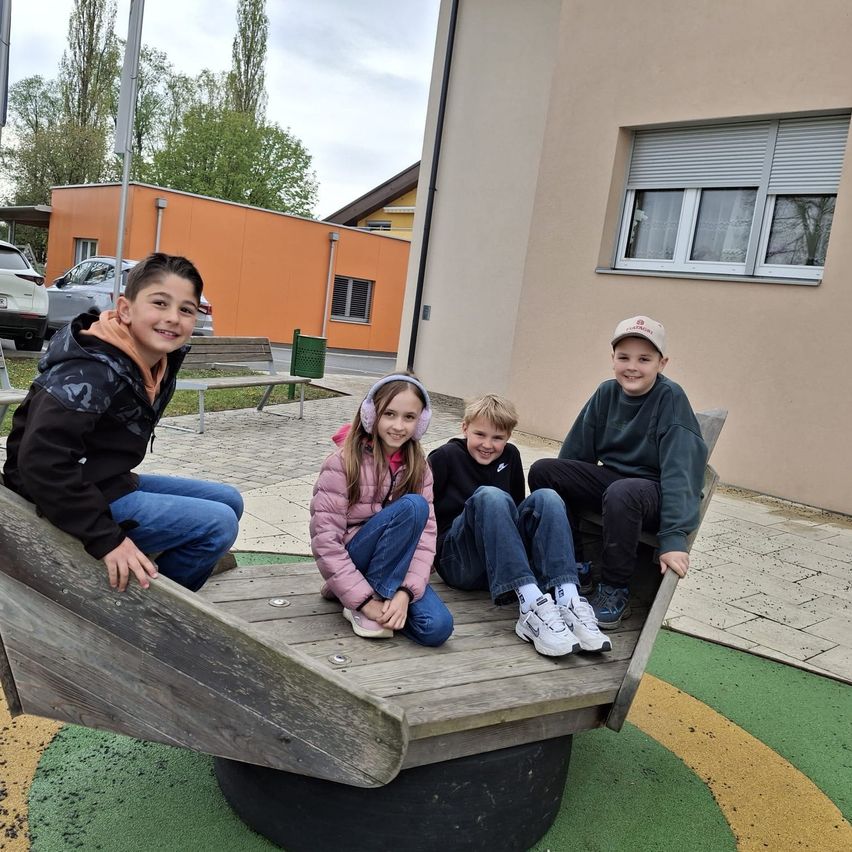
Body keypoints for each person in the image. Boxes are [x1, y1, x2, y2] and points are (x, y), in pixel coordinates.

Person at [3, 253, 243, 594]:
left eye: (186, 309)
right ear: (126, 309)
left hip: (103, 479)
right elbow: (40, 462)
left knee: (230, 500)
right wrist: (107, 539)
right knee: (218, 525)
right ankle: (153, 611)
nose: (173, 318)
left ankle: (153, 576)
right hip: (53, 491)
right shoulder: (91, 369)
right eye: (160, 303)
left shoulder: (156, 361)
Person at [528, 316, 707, 629]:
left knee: (623, 491)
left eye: (644, 359)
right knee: (545, 471)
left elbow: (682, 474)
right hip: (614, 486)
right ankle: (573, 566)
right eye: (624, 357)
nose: (632, 367)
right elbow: (575, 455)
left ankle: (614, 588)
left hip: (653, 492)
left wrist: (674, 538)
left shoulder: (671, 400)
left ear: (662, 363)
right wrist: (565, 489)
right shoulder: (606, 393)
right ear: (613, 359)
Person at [428, 394, 611, 656]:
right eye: (480, 434)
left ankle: (568, 598)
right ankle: (529, 606)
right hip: (459, 561)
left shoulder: (511, 456)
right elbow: (423, 509)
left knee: (546, 497)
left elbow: (514, 512)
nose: (487, 445)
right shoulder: (444, 457)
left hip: (500, 563)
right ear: (464, 427)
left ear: (509, 436)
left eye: (498, 438)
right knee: (489, 495)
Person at [310, 373, 453, 646]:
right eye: (389, 414)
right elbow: (326, 541)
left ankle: (372, 596)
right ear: (370, 414)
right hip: (355, 555)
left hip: (397, 565)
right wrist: (365, 602)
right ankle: (363, 599)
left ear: (421, 422)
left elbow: (425, 540)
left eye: (409, 417)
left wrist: (404, 593)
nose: (399, 426)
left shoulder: (419, 468)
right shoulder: (341, 463)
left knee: (437, 628)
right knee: (413, 505)